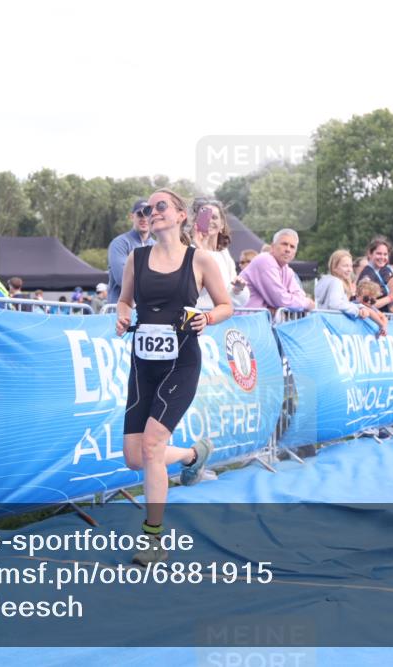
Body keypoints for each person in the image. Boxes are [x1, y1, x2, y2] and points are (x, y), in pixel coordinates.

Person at [115, 189, 233, 565]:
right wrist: (121, 314)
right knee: (135, 457)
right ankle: (193, 455)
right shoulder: (137, 258)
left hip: (181, 362)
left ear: (181, 215)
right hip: (143, 364)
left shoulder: (201, 259)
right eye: (148, 208)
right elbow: (125, 300)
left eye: (161, 205)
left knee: (151, 446)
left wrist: (208, 317)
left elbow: (226, 305)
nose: (153, 211)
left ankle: (153, 539)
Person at [191, 200, 249, 310]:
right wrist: (200, 247)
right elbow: (195, 290)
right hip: (197, 315)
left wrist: (237, 290)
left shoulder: (224, 254)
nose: (209, 221)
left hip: (220, 316)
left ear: (222, 225)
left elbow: (229, 300)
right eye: (205, 217)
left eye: (214, 217)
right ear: (196, 222)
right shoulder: (189, 252)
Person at [240, 229, 314, 313]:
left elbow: (300, 295)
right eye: (284, 244)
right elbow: (281, 300)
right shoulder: (265, 260)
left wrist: (297, 302)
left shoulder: (287, 269)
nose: (288, 249)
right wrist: (307, 303)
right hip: (245, 318)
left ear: (294, 253)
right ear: (272, 247)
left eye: (292, 247)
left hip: (258, 318)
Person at [316, 249, 387, 335]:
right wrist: (357, 310)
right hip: (331, 327)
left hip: (325, 326)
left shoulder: (327, 281)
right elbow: (335, 304)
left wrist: (359, 307)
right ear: (334, 267)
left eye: (350, 266)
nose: (349, 269)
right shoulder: (336, 282)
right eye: (345, 266)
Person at [108, 199, 156, 304]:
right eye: (140, 214)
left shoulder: (157, 246)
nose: (144, 218)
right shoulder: (119, 243)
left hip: (148, 310)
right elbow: (123, 279)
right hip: (120, 309)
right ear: (131, 217)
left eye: (147, 214)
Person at [356, 237, 393, 313]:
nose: (382, 257)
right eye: (379, 254)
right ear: (370, 254)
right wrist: (391, 297)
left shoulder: (378, 272)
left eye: (385, 254)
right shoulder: (367, 274)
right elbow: (366, 304)